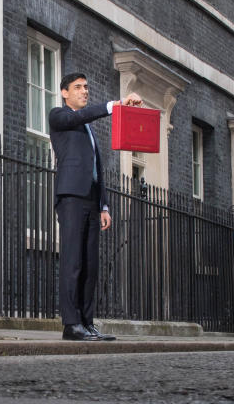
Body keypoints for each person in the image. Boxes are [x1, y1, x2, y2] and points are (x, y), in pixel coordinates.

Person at [48, 72, 142, 341]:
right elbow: (78, 116)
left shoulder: (87, 128)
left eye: (86, 87)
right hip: (71, 197)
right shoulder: (59, 116)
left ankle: (87, 323)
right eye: (78, 87)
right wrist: (114, 105)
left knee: (90, 265)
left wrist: (105, 206)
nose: (84, 91)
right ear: (65, 92)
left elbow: (97, 169)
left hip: (91, 199)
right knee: (73, 261)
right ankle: (71, 324)